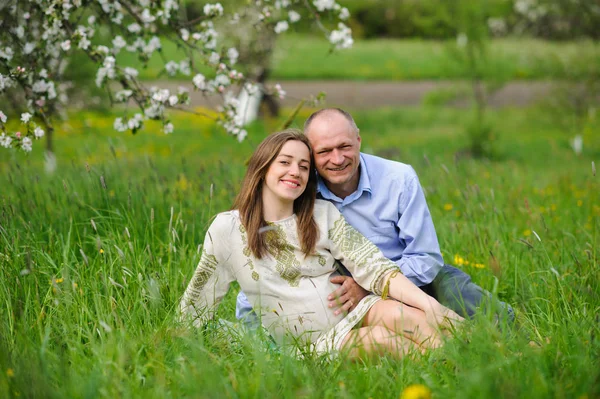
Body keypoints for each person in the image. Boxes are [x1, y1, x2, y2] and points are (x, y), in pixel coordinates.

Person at [180, 129, 462, 358]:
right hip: (312, 345)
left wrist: (430, 305)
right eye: (285, 162)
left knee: (407, 315)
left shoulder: (320, 214)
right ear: (262, 167)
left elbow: (376, 268)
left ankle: (483, 353)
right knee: (384, 340)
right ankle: (459, 370)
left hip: (354, 311)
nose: (296, 171)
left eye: (304, 166)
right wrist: (212, 340)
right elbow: (197, 303)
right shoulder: (228, 228)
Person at [237, 108, 514, 324]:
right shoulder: (300, 190)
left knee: (452, 287)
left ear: (358, 140)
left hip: (410, 279)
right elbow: (266, 256)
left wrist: (370, 287)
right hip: (339, 290)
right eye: (324, 151)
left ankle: (521, 336)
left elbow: (426, 258)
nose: (337, 159)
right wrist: (249, 312)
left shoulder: (398, 178)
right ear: (310, 153)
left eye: (344, 146)